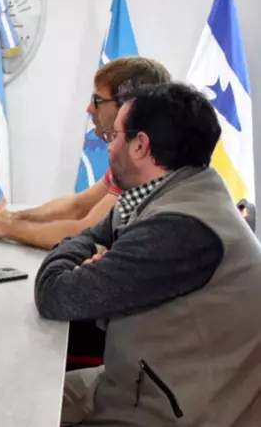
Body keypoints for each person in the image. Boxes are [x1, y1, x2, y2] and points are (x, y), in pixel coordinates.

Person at [35, 82, 261, 426]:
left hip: (178, 410)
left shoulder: (180, 229)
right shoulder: (169, 193)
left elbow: (55, 294)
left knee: (7, 408)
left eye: (114, 136)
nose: (108, 146)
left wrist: (87, 259)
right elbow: (88, 237)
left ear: (140, 145)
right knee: (16, 396)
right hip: (144, 380)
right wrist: (92, 252)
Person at [0, 56, 172, 249]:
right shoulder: (131, 156)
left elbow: (85, 232)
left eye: (98, 100)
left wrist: (5, 226)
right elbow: (77, 206)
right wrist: (11, 217)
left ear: (128, 107)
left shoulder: (144, 165)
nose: (89, 108)